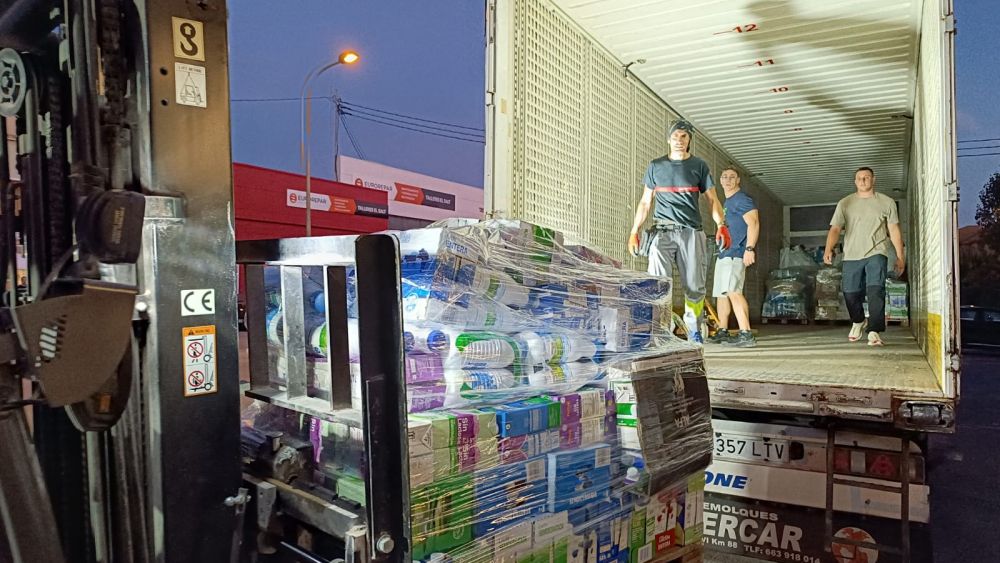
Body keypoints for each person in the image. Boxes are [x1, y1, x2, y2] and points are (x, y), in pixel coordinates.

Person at [628, 119, 728, 344]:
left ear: (689, 140)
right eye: (675, 136)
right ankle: (663, 330)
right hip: (661, 233)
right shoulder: (656, 166)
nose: (679, 141)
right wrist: (634, 231)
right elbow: (646, 202)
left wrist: (722, 226)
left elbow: (712, 200)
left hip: (691, 233)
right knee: (658, 284)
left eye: (684, 136)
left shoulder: (699, 166)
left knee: (694, 286)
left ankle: (693, 329)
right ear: (668, 139)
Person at [823, 167, 905, 346]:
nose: (863, 181)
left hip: (877, 252)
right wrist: (829, 248)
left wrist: (900, 256)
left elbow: (894, 229)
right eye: (859, 178)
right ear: (855, 182)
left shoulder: (886, 202)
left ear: (873, 180)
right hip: (851, 254)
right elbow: (835, 228)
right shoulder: (845, 203)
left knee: (875, 291)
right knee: (850, 293)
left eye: (866, 177)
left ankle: (874, 331)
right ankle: (859, 321)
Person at [707, 167, 759, 347]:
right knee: (721, 294)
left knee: (733, 291)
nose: (727, 180)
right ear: (720, 181)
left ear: (738, 181)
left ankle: (745, 333)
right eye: (724, 177)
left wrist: (749, 248)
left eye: (732, 177)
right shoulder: (728, 202)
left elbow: (753, 223)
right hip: (724, 253)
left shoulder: (742, 199)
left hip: (736, 253)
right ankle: (723, 330)